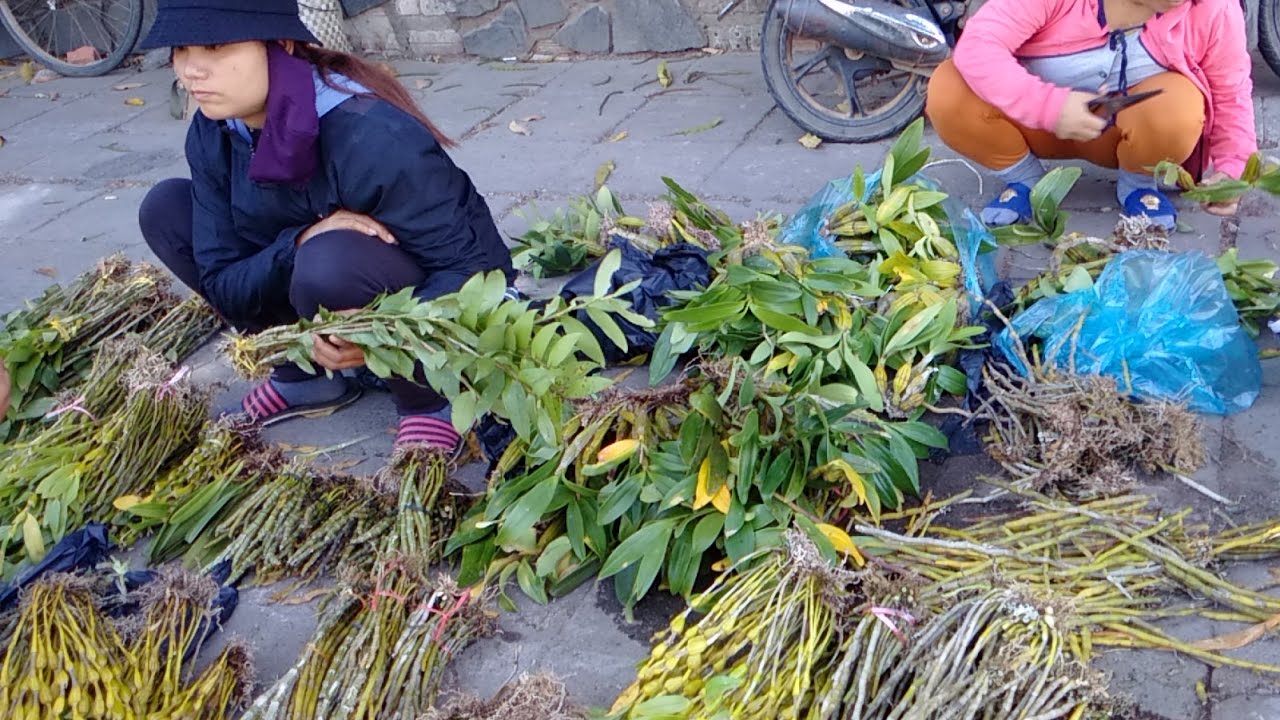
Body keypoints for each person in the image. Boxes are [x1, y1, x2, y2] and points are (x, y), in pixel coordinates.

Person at [136, 0, 514, 453]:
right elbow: (223, 282)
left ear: (282, 45)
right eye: (181, 49)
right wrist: (295, 243)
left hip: (407, 307)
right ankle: (304, 375)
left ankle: (429, 401)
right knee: (165, 208)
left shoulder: (372, 134)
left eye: (215, 47)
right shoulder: (214, 130)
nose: (191, 71)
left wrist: (383, 330)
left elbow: (482, 274)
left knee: (328, 259)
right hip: (312, 308)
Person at [925, 0, 1256, 231]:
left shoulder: (1212, 9)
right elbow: (978, 46)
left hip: (1122, 135)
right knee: (949, 88)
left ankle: (1138, 184)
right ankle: (1026, 180)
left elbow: (1231, 94)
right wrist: (1051, 107)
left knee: (1180, 105)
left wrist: (1233, 171)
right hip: (1031, 127)